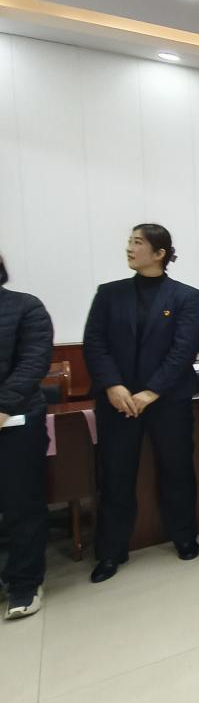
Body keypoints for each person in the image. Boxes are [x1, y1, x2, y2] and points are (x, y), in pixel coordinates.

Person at [82, 224, 199, 583]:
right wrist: (113, 386)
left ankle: (184, 536)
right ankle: (111, 551)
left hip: (168, 401)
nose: (130, 248)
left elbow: (183, 350)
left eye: (137, 243)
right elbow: (95, 343)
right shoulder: (109, 293)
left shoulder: (186, 296)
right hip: (117, 402)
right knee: (115, 476)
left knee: (177, 470)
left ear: (159, 253)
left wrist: (150, 392)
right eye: (130, 242)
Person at [0, 254, 54, 619]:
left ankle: (24, 583)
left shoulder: (25, 307)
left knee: (22, 505)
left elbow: (34, 360)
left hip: (16, 420)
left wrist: (3, 406)